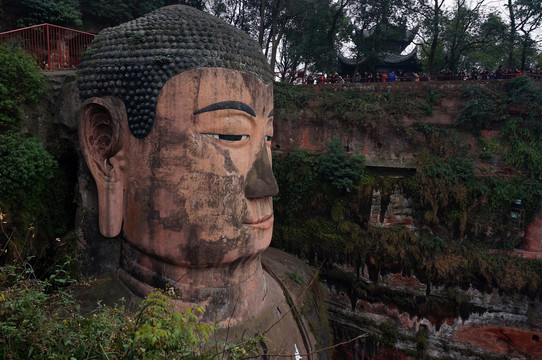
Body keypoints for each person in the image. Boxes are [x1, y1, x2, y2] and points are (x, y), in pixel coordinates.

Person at [77, 5, 315, 355]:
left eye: (267, 138)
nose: (267, 185)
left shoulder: (304, 289)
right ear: (106, 152)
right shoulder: (88, 339)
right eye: (231, 135)